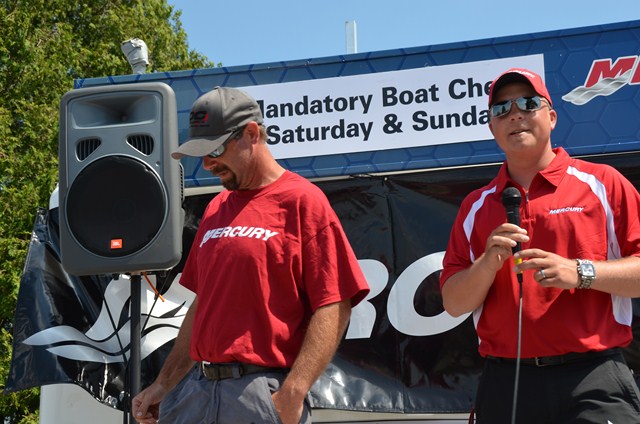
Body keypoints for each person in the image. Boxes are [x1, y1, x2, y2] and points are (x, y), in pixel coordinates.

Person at [132, 86, 370, 424]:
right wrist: (164, 383)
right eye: (200, 153)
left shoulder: (303, 201)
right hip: (195, 393)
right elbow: (204, 305)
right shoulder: (216, 208)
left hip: (258, 394)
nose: (207, 164)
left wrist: (294, 391)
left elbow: (334, 303)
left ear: (252, 134)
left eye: (214, 150)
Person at [440, 68, 640, 423]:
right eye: (501, 108)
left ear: (551, 117)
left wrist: (580, 271)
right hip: (506, 381)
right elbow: (454, 304)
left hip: (592, 376)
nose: (515, 114)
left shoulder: (603, 184)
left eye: (528, 103)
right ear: (492, 127)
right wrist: (486, 264)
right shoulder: (475, 205)